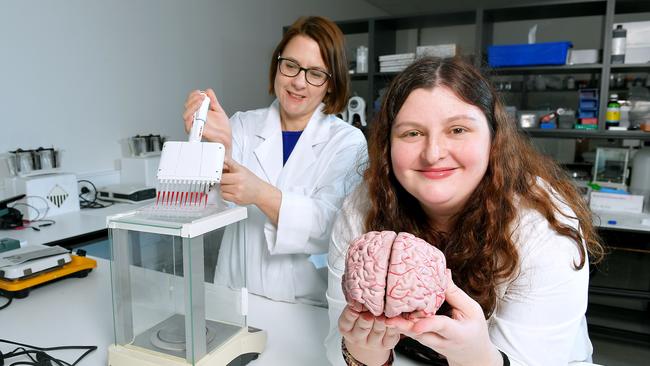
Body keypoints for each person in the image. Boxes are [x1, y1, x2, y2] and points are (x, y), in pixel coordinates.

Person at [325, 56, 605, 365]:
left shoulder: (543, 224)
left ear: (493, 138)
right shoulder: (366, 206)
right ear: (387, 144)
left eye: (457, 129)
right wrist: (364, 354)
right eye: (412, 133)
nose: (433, 154)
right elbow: (336, 342)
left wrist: (479, 358)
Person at [182, 16, 367, 306]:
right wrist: (217, 149)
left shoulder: (348, 142)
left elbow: (334, 229)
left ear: (331, 84)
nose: (298, 82)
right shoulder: (241, 125)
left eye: (316, 73)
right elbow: (206, 208)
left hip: (303, 304)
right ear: (277, 66)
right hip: (234, 292)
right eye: (291, 65)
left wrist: (260, 193)